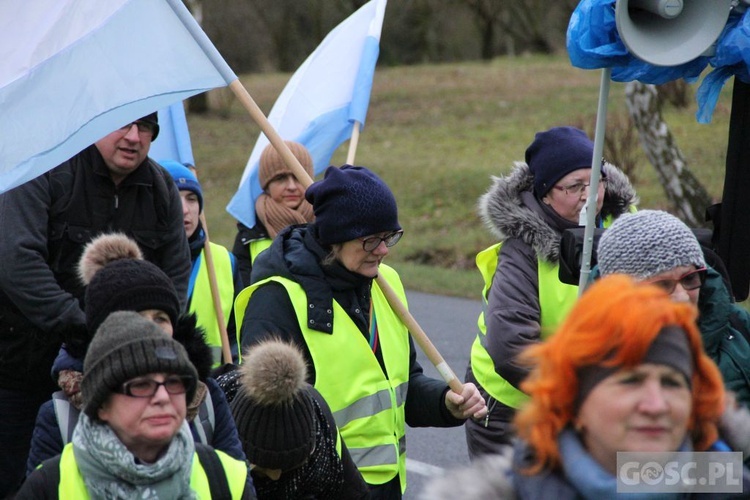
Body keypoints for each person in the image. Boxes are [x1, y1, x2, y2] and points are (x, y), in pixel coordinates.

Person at [236, 165, 487, 499]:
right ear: (333, 238)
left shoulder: (388, 285)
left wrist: (446, 403)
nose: (383, 250)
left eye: (390, 237)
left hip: (388, 490)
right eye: (371, 240)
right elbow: (269, 431)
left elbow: (404, 389)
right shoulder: (275, 301)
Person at [422, 275, 750, 499]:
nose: (656, 404)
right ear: (574, 401)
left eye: (672, 383)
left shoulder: (730, 485)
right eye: (629, 382)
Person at [0, 113, 191, 496]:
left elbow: (175, 280)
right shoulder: (44, 169)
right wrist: (90, 326)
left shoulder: (161, 190)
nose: (134, 137)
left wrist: (139, 341)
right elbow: (17, 262)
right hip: (19, 373)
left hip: (124, 383)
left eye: (146, 128)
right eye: (122, 124)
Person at [464, 125, 638, 459]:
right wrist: (584, 397)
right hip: (512, 409)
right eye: (574, 186)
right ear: (545, 194)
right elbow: (512, 347)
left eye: (596, 182)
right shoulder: (523, 251)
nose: (590, 196)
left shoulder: (625, 228)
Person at [26, 233, 244, 476]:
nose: (150, 329)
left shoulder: (208, 399)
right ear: (103, 330)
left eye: (161, 318)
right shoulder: (60, 415)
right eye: (134, 318)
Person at [17, 311, 254, 499]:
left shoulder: (225, 477)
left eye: (174, 382)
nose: (162, 397)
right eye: (141, 385)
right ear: (101, 405)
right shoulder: (49, 485)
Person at [596, 210, 750, 411]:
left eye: (689, 279)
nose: (682, 297)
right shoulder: (593, 357)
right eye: (662, 285)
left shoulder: (738, 327)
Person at [218, 339, 371, 499]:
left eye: (289, 467)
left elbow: (355, 493)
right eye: (263, 468)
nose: (275, 476)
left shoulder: (321, 425)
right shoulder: (209, 428)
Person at [164, 161, 243, 367]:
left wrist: (232, 373)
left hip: (214, 389)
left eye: (191, 199)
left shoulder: (224, 260)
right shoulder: (136, 260)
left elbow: (238, 335)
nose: (184, 209)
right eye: (173, 196)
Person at [232, 141, 315, 286]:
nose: (291, 186)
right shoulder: (249, 235)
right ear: (266, 185)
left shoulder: (326, 225)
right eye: (280, 178)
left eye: (297, 177)